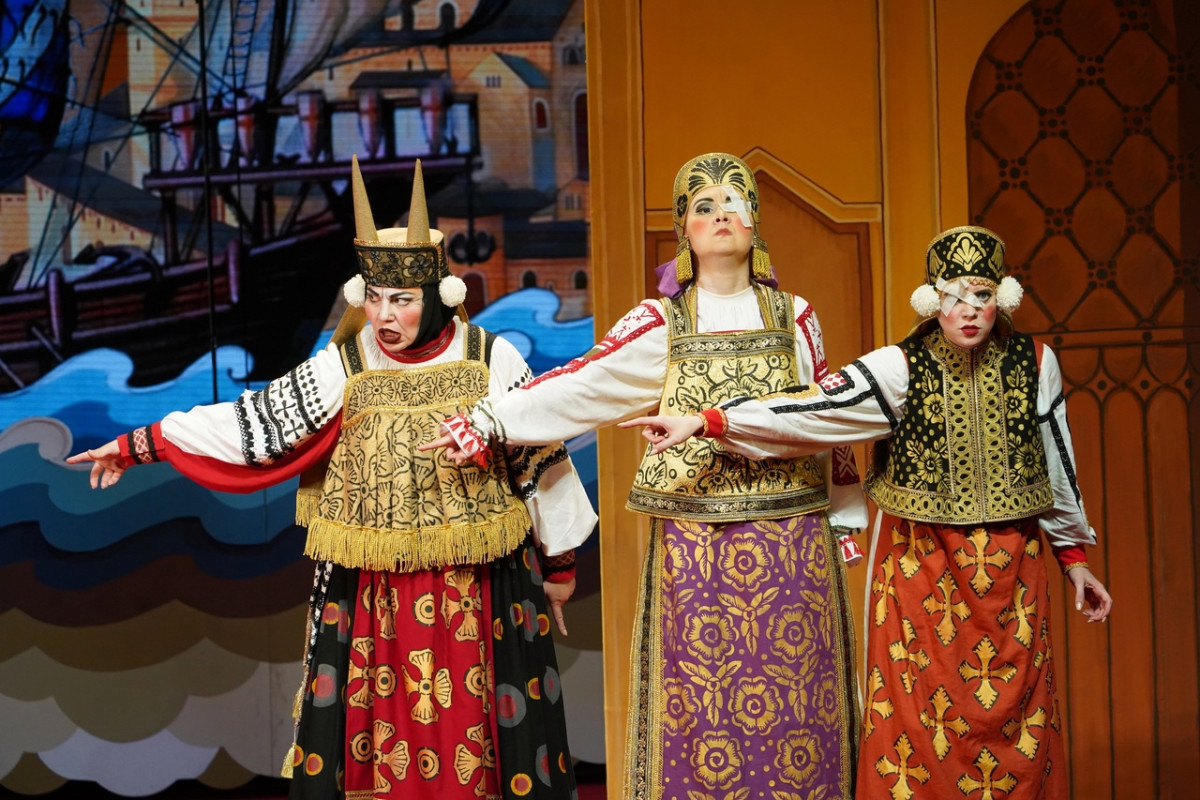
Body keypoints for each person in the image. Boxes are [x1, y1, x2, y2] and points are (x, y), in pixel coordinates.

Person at [67, 158, 597, 800]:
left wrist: (560, 565)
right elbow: (257, 422)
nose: (384, 316)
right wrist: (138, 444)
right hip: (377, 596)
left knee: (478, 735)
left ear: (437, 297)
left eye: (401, 300)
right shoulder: (346, 364)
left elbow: (539, 457)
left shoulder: (491, 358)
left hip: (481, 585)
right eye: (374, 298)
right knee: (384, 734)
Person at [424, 152, 869, 799]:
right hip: (699, 549)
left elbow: (825, 414)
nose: (721, 215)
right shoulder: (663, 322)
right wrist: (489, 420)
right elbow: (581, 385)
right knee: (701, 710)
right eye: (704, 205)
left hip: (792, 541)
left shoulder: (794, 316)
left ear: (755, 220)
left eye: (734, 201)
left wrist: (846, 514)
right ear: (684, 228)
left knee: (802, 707)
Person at [621, 225, 1113, 799]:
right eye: (954, 295)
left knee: (1019, 724)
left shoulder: (1036, 362)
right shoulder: (900, 367)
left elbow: (1057, 463)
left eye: (981, 294)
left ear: (1000, 297)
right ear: (933, 300)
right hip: (924, 572)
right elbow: (810, 409)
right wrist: (709, 421)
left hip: (1014, 577)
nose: (968, 310)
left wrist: (1074, 558)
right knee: (916, 727)